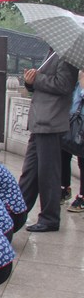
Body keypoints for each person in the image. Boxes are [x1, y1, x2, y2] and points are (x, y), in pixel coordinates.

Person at [17, 49, 77, 232]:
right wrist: (30, 82)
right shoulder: (52, 52)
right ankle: (17, 211)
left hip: (51, 121)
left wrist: (38, 78)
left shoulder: (67, 56)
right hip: (39, 121)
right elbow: (40, 84)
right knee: (30, 173)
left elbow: (64, 85)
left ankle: (50, 217)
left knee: (48, 173)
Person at [60, 70, 84, 211]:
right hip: (70, 122)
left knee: (82, 160)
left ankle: (82, 196)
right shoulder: (76, 77)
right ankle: (64, 188)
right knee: (64, 153)